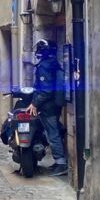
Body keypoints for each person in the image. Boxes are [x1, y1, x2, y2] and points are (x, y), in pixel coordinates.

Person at [27, 39, 68, 176]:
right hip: (53, 105)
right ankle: (59, 161)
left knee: (52, 134)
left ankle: (61, 163)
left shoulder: (44, 66)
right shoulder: (54, 63)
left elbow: (46, 90)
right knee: (53, 130)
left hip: (48, 107)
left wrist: (34, 103)